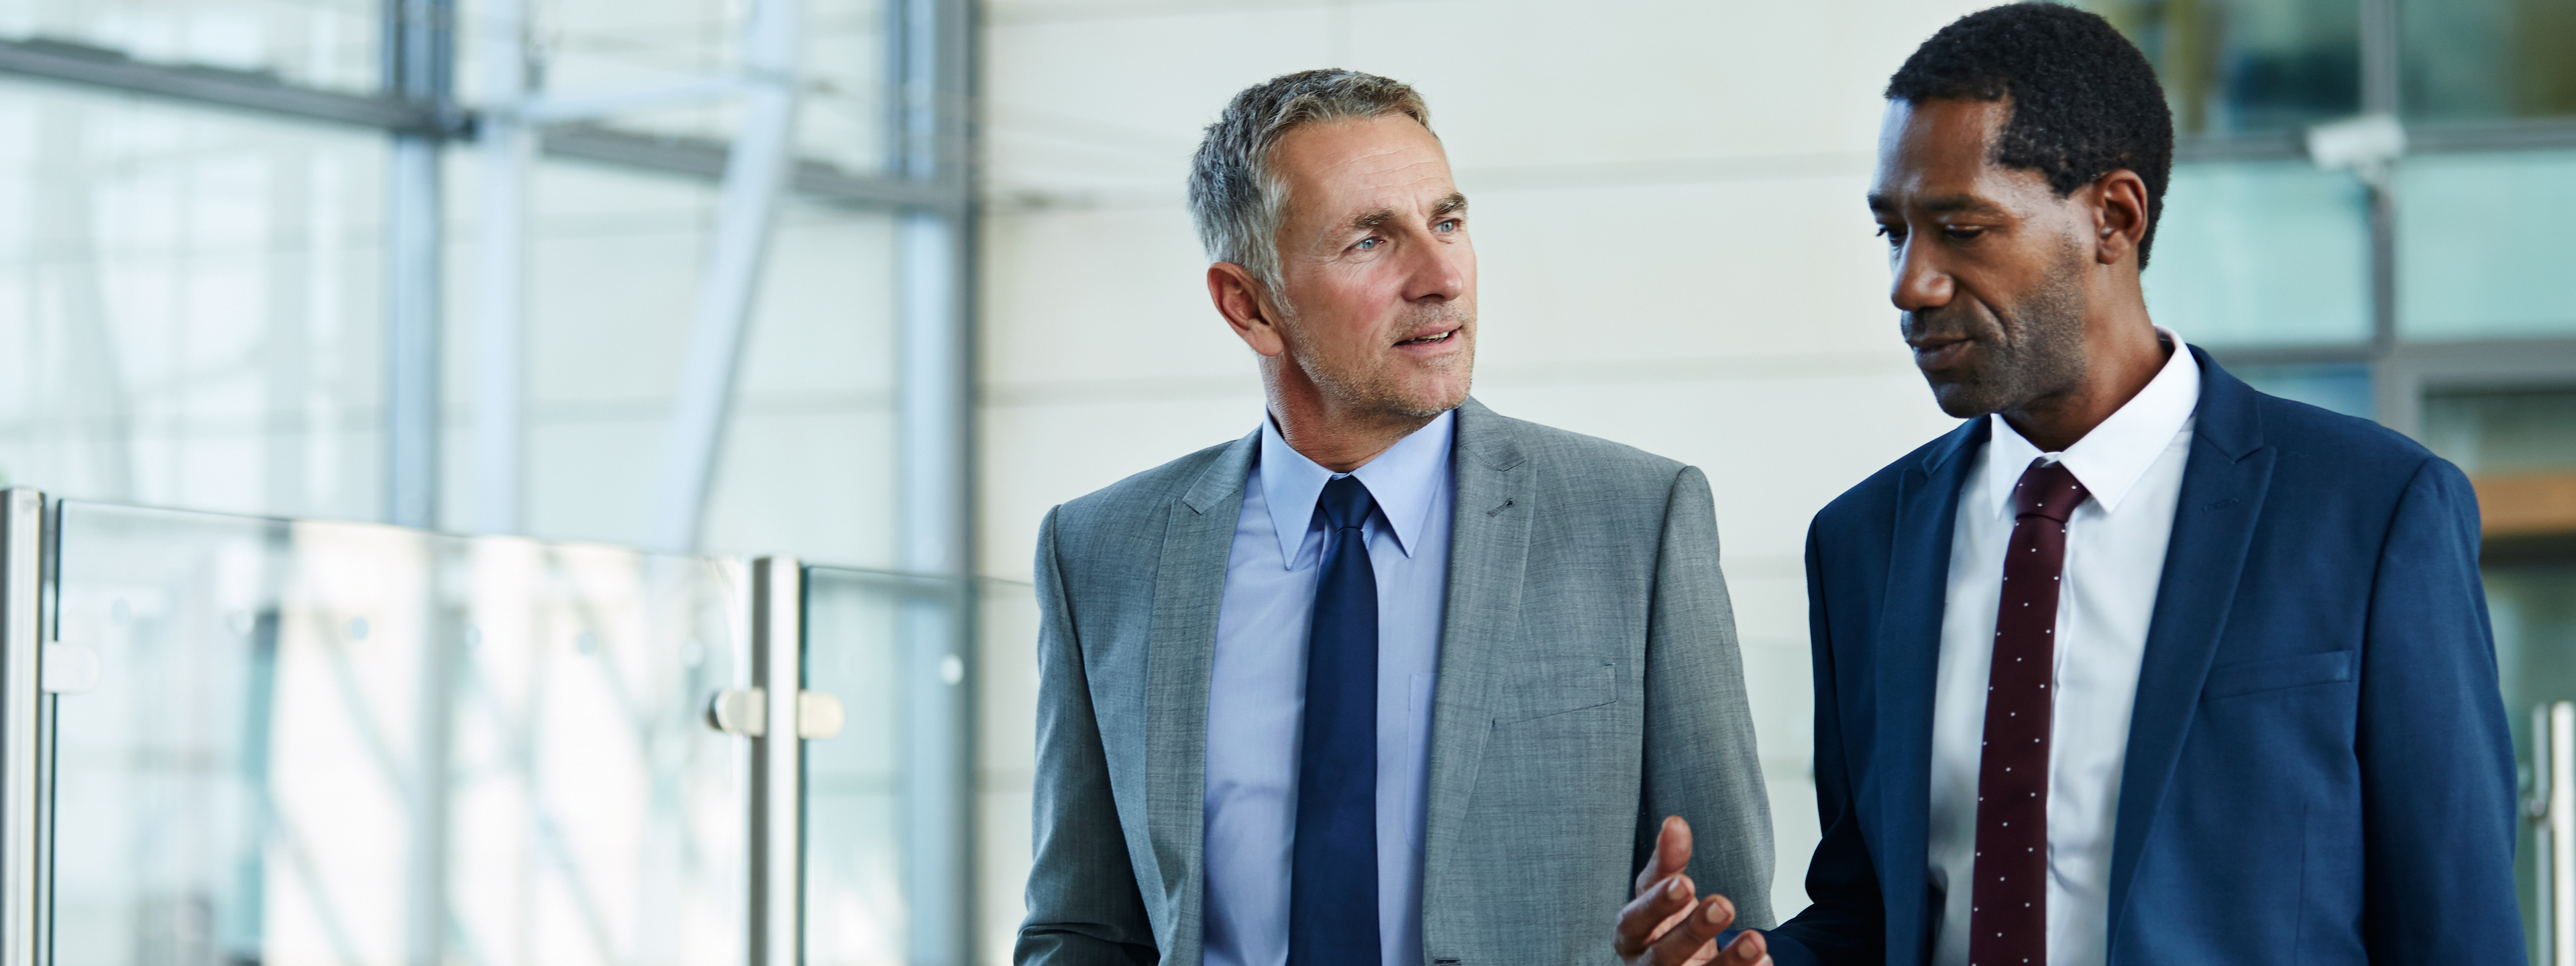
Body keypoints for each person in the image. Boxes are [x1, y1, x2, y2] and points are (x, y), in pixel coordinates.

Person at [1615, 5, 2523, 965]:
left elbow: (2457, 928)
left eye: (1961, 229)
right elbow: (1869, 911)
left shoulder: (2373, 513)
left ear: (2114, 218)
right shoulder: (1863, 541)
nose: (1910, 283)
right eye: (1893, 231)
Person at [1016, 69, 1775, 966]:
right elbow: (1083, 928)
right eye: (1372, 240)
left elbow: (1728, 921)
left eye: (1447, 222)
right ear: (1248, 304)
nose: (1443, 274)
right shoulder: (1102, 552)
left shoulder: (1638, 522)